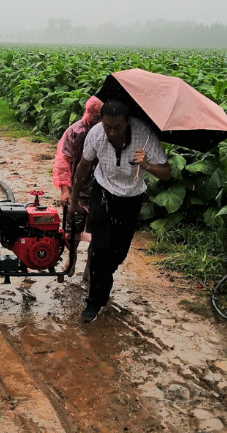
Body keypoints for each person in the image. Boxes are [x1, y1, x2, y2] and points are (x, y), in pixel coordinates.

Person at [69, 101, 172, 323]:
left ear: (128, 121)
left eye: (117, 127)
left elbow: (166, 172)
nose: (112, 132)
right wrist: (74, 200)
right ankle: (94, 302)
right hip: (103, 193)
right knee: (99, 249)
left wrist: (147, 166)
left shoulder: (144, 135)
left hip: (131, 199)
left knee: (118, 252)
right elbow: (83, 167)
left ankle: (103, 278)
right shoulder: (96, 134)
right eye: (108, 126)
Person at [53, 96, 102, 277]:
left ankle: (89, 266)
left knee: (96, 231)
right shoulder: (76, 132)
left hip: (100, 189)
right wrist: (65, 190)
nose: (98, 121)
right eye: (95, 117)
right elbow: (63, 160)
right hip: (77, 188)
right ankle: (71, 262)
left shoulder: (107, 132)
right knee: (73, 228)